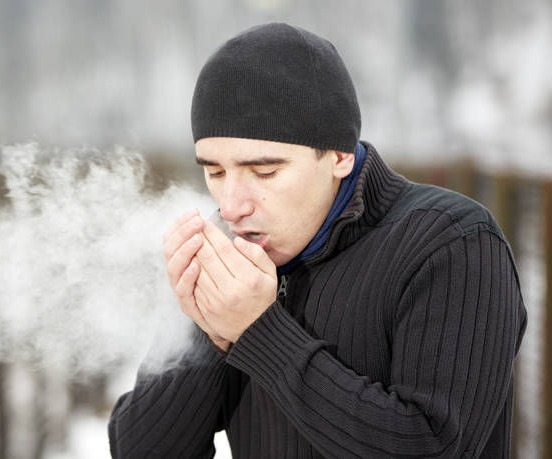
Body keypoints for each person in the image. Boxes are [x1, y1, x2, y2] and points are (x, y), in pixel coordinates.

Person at [108, 22, 527, 458]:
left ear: (339, 155)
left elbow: (432, 448)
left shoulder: (451, 244)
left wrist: (257, 331)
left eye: (264, 171)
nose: (231, 205)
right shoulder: (228, 253)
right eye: (215, 172)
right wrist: (211, 330)